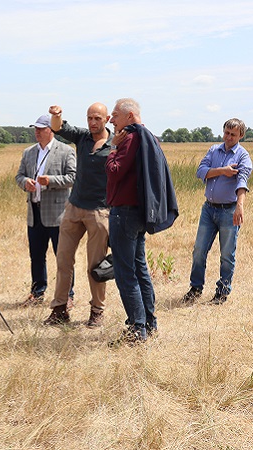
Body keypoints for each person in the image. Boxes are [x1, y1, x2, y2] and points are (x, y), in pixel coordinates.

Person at [43, 103, 125, 328]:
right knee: (63, 260)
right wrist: (57, 115)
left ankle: (97, 310)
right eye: (89, 118)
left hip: (99, 211)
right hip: (74, 207)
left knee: (96, 265)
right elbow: (59, 128)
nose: (92, 122)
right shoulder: (82, 137)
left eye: (97, 118)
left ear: (107, 119)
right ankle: (59, 309)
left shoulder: (116, 143)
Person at [106, 98, 178, 343]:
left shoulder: (129, 139)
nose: (110, 119)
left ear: (129, 116)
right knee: (140, 270)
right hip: (138, 214)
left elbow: (114, 171)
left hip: (124, 214)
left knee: (126, 274)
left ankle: (137, 329)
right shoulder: (149, 138)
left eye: (114, 115)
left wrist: (112, 149)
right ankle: (149, 322)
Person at [182, 118, 253, 306]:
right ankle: (195, 288)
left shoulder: (243, 157)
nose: (229, 137)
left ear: (241, 136)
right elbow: (200, 171)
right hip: (209, 209)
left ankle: (222, 292)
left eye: (233, 134)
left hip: (229, 211)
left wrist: (240, 205)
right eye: (226, 133)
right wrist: (222, 170)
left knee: (227, 255)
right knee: (198, 250)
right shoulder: (214, 150)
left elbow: (242, 182)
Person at [16, 115, 77, 307]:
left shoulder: (66, 151)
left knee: (64, 257)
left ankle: (68, 295)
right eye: (35, 128)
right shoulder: (28, 152)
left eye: (41, 129)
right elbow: (19, 176)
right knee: (36, 256)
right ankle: (38, 292)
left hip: (58, 214)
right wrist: (26, 183)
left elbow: (73, 177)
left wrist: (50, 181)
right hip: (34, 212)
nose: (37, 132)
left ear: (51, 130)